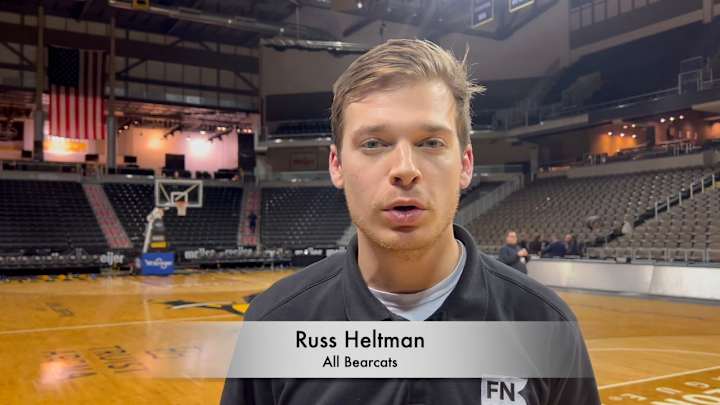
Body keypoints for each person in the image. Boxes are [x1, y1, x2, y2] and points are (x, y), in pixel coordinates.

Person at [221, 39, 599, 405]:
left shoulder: (544, 325)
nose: (405, 169)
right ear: (336, 165)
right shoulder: (276, 324)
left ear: (465, 164)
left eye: (431, 142)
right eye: (373, 143)